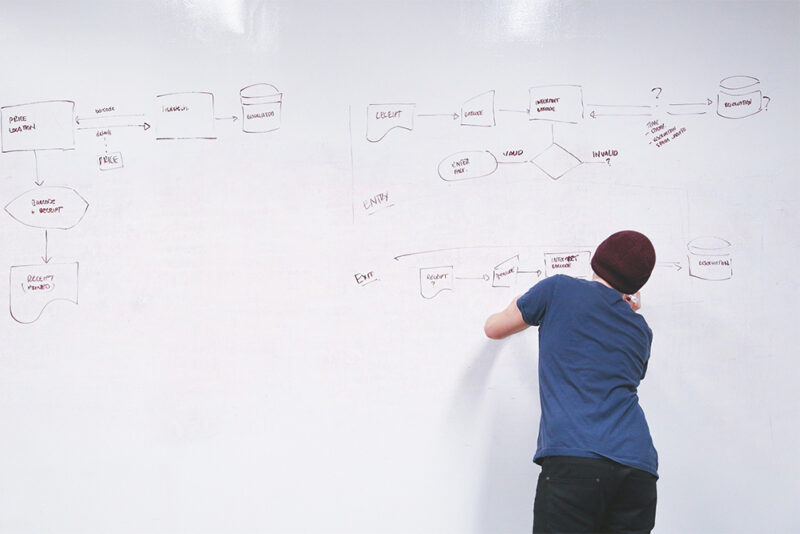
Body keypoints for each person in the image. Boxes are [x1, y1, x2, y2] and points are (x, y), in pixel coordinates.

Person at [484, 230, 659, 534]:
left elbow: (494, 328)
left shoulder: (558, 290)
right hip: (638, 469)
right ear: (636, 285)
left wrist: (518, 302)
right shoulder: (640, 329)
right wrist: (627, 308)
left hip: (577, 462)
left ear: (598, 257)